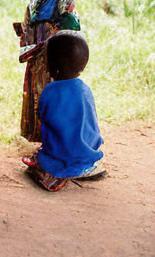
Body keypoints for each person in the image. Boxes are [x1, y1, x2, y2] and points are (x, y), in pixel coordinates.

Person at [22, 32, 106, 192]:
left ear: (56, 67)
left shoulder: (50, 91)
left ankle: (54, 174)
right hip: (88, 156)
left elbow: (42, 116)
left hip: (61, 156)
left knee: (38, 160)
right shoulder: (85, 89)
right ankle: (86, 168)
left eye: (48, 60)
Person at [15, 0, 80, 142]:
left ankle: (57, 138)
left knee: (55, 96)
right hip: (36, 62)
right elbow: (29, 30)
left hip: (55, 61)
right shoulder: (32, 4)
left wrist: (49, 29)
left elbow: (72, 24)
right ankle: (37, 136)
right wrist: (24, 31)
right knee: (36, 95)